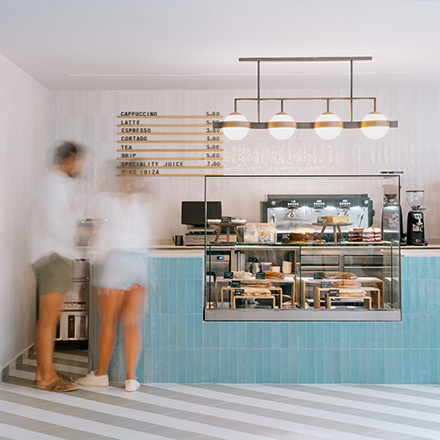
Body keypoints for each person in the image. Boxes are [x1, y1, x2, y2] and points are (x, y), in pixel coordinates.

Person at [78, 168, 149, 392]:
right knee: (131, 323)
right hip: (138, 262)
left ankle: (101, 374)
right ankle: (131, 379)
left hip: (116, 261)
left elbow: (97, 233)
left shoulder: (104, 200)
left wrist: (96, 254)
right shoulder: (142, 202)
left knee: (108, 322)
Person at [30, 141, 84, 392]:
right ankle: (45, 377)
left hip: (56, 254)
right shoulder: (53, 184)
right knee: (49, 319)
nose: (79, 166)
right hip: (52, 255)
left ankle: (46, 371)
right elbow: (54, 221)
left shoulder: (59, 184)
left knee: (51, 317)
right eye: (77, 161)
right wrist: (78, 232)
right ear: (68, 159)